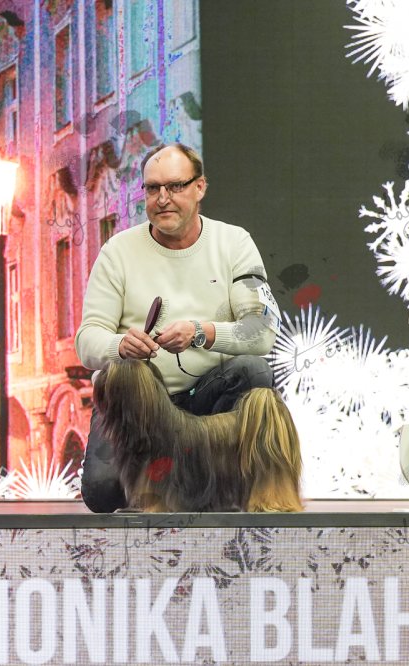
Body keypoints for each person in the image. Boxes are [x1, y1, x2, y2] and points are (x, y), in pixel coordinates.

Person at [75, 142, 281, 512]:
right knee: (103, 493)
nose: (163, 199)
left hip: (207, 397)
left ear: (200, 187)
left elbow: (262, 330)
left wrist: (202, 332)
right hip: (139, 404)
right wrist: (120, 345)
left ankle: (223, 480)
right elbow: (87, 342)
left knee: (253, 371)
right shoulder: (116, 252)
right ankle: (184, 484)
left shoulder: (235, 243)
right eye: (153, 188)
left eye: (175, 186)